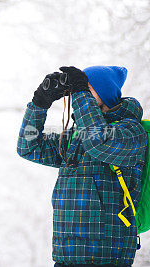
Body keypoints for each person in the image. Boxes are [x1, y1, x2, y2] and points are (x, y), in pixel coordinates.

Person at [17, 66, 148, 267]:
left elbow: (99, 142)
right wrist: (40, 104)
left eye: (87, 88)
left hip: (107, 258)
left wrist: (79, 90)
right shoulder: (77, 137)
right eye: (79, 89)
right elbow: (29, 146)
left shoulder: (131, 131)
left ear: (105, 94)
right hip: (65, 256)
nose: (79, 93)